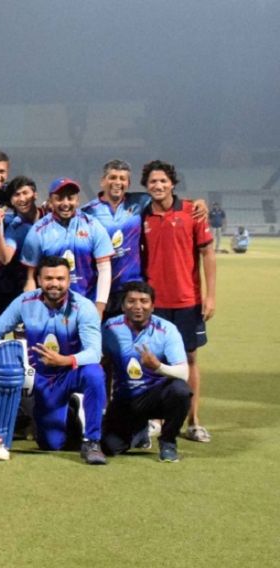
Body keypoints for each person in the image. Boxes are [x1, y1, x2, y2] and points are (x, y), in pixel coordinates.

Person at [0, 256, 108, 465]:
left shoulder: (84, 307)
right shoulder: (25, 302)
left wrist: (64, 360)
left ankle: (92, 441)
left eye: (60, 278)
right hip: (44, 379)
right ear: (39, 280)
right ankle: (70, 414)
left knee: (94, 373)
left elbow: (94, 353)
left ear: (69, 280)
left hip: (71, 372)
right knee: (51, 443)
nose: (55, 284)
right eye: (49, 278)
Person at [140, 160, 216, 443]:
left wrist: (210, 296)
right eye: (153, 181)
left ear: (173, 183)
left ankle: (194, 422)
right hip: (154, 303)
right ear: (146, 186)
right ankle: (156, 420)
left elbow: (207, 254)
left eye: (163, 181)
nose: (158, 185)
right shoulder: (143, 214)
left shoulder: (191, 211)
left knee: (190, 358)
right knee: (154, 359)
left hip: (187, 299)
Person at [101, 281, 191, 462]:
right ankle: (139, 432)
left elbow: (184, 373)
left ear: (153, 306)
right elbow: (103, 365)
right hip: (125, 399)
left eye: (144, 301)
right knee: (109, 447)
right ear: (122, 306)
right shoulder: (110, 328)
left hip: (155, 397)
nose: (138, 306)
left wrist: (158, 367)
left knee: (180, 391)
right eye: (131, 301)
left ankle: (168, 442)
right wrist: (106, 404)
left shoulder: (166, 330)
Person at [19, 178, 115, 316]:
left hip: (87, 306)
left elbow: (104, 269)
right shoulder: (38, 231)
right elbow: (30, 278)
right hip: (51, 309)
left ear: (77, 200)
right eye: (59, 198)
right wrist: (33, 311)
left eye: (70, 198)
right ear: (50, 201)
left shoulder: (93, 225)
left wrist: (99, 308)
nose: (65, 203)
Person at [80, 160, 147, 317]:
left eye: (122, 178)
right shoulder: (87, 212)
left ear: (128, 183)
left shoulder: (140, 203)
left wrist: (197, 203)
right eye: (113, 177)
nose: (118, 182)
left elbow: (168, 199)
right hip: (101, 289)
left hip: (132, 287)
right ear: (103, 181)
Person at [0, 176, 40, 325]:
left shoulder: (49, 215)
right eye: (16, 195)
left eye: (25, 193)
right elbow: (5, 258)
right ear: (11, 201)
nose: (22, 198)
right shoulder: (16, 227)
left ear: (35, 195)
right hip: (18, 284)